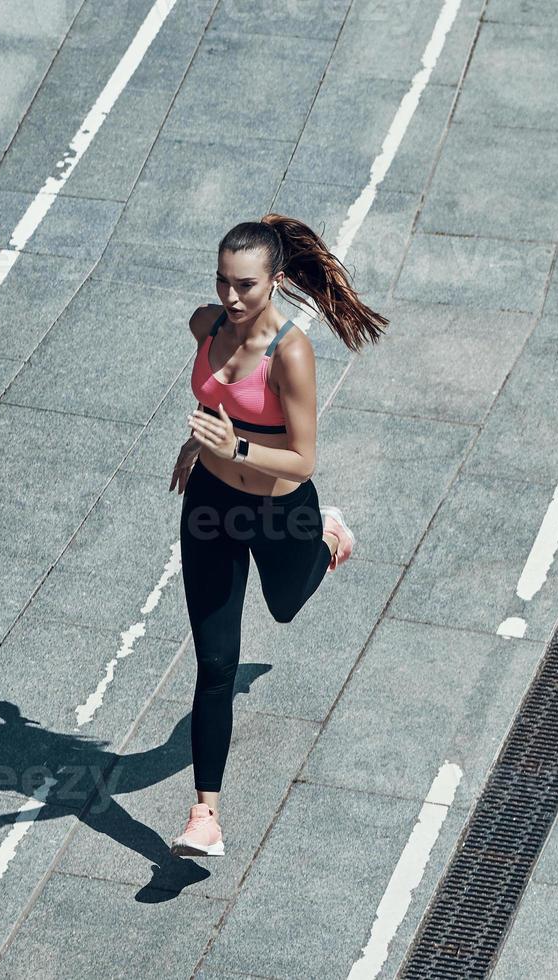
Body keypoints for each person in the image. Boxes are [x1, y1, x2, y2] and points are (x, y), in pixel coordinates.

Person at [166, 213, 389, 858]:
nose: (231, 299)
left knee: (286, 607)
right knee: (215, 662)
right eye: (222, 282)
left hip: (282, 510)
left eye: (246, 287)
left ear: (277, 282)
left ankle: (328, 537)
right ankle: (205, 813)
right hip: (211, 507)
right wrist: (200, 439)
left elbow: (302, 458)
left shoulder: (290, 352)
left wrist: (233, 441)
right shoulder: (206, 325)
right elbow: (215, 390)